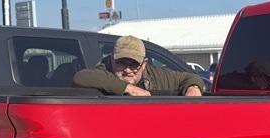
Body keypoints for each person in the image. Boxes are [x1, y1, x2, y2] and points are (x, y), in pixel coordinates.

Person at [73, 35, 204, 96]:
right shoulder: (103, 71)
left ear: (144, 64)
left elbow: (190, 77)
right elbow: (81, 77)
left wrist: (193, 88)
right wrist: (128, 88)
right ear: (112, 59)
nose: (128, 69)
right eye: (121, 63)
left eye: (134, 64)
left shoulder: (155, 75)